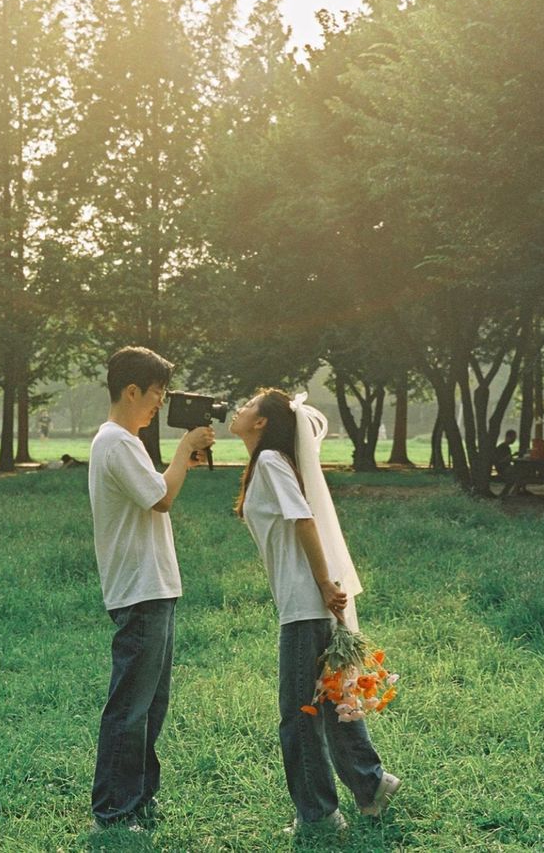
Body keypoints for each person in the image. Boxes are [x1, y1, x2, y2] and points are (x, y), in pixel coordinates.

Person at [230, 388, 400, 835]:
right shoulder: (267, 462)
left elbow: (303, 518)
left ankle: (319, 816)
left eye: (246, 405)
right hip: (307, 602)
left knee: (298, 713)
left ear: (263, 422)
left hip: (306, 605)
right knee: (326, 702)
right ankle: (371, 784)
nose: (238, 409)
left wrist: (325, 584)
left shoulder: (269, 461)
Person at [88, 346, 215, 831]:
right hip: (140, 590)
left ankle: (138, 797)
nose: (159, 403)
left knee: (150, 706)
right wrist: (185, 450)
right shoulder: (117, 442)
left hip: (152, 587)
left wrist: (182, 453)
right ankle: (113, 811)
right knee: (130, 707)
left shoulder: (124, 441)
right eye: (156, 394)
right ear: (132, 390)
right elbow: (161, 498)